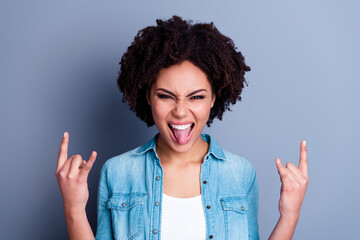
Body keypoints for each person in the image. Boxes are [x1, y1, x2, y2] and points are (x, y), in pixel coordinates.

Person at [56, 16, 308, 240]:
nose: (180, 110)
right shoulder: (118, 172)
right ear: (148, 97)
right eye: (166, 96)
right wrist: (73, 207)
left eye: (196, 97)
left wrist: (290, 215)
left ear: (213, 98)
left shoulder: (240, 174)